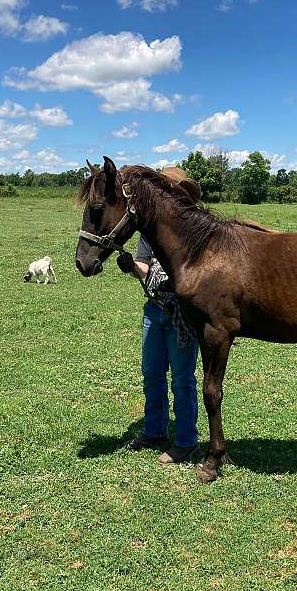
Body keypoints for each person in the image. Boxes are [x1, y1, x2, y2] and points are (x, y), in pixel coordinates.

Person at [116, 167, 201, 465]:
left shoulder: (194, 230)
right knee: (152, 374)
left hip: (180, 313)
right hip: (154, 308)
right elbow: (145, 265)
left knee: (182, 379)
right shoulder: (149, 232)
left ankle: (186, 440)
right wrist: (131, 266)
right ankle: (154, 431)